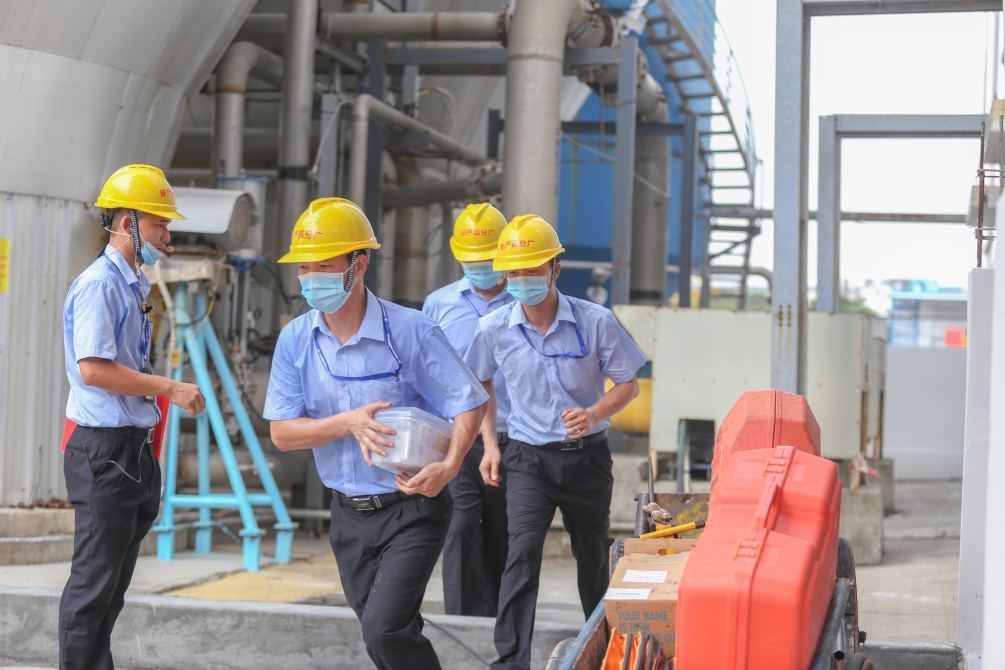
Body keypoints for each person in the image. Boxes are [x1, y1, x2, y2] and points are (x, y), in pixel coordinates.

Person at [264, 198, 488, 670]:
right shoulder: (296, 339)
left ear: (359, 265)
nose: (311, 278)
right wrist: (346, 423)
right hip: (347, 515)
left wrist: (449, 467)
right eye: (303, 268)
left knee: (384, 630)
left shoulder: (411, 331)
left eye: (324, 266)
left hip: (411, 507)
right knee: (387, 633)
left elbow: (470, 400)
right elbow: (282, 434)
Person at [464, 215, 648, 670]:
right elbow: (479, 383)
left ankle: (603, 651)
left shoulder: (595, 321)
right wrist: (491, 445)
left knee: (592, 555)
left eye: (532, 270)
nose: (523, 280)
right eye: (514, 272)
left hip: (588, 460)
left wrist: (593, 414)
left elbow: (628, 384)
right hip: (528, 459)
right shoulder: (493, 329)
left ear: (555, 269)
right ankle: (511, 661)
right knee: (521, 555)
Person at [60, 164, 206, 670]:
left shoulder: (132, 283)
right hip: (105, 452)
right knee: (93, 587)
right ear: (128, 224)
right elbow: (95, 370)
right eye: (159, 224)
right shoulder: (100, 285)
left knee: (111, 589)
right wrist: (169, 388)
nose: (167, 235)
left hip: (130, 451)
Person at [422, 202, 514, 617]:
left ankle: (499, 625)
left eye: (486, 259)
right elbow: (423, 368)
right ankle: (461, 624)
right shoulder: (438, 305)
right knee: (458, 529)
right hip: (455, 435)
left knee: (502, 536)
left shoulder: (524, 301)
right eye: (470, 260)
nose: (478, 267)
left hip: (511, 437)